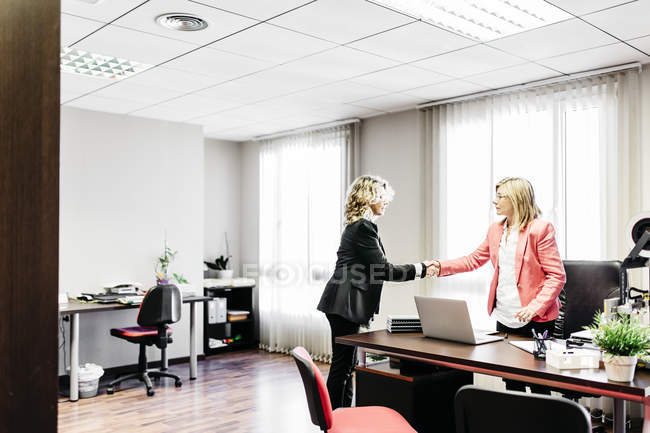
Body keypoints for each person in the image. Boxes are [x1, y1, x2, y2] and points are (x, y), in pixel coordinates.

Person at [433, 177, 566, 393]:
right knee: (511, 381)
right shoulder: (496, 230)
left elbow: (557, 276)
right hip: (505, 317)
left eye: (500, 196)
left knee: (538, 383)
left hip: (535, 320)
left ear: (516, 199)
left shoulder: (539, 230)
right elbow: (473, 260)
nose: (495, 201)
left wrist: (534, 306)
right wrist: (438, 267)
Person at [317, 175, 436, 409]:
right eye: (382, 197)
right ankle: (332, 422)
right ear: (368, 197)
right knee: (342, 366)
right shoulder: (363, 226)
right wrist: (421, 269)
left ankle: (342, 416)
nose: (386, 202)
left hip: (342, 304)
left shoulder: (357, 226)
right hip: (345, 305)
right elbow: (383, 270)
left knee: (346, 366)